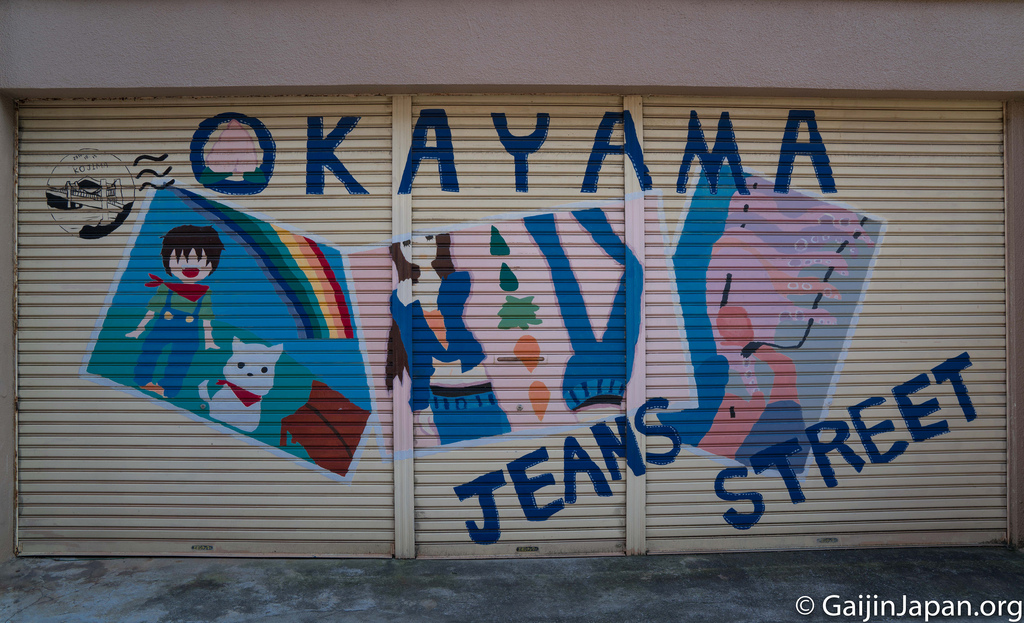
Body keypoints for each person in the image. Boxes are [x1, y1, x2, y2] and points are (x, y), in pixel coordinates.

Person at [127, 225, 224, 398]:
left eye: (201, 260)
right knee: (150, 350)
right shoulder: (166, 288)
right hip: (163, 326)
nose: (190, 265)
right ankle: (143, 380)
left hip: (189, 332)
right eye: (180, 259)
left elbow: (206, 317)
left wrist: (209, 339)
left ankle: (168, 389)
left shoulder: (204, 292)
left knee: (180, 360)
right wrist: (139, 328)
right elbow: (152, 310)